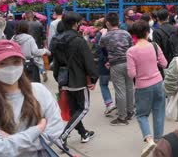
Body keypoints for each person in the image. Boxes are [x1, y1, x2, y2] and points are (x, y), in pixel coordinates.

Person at [0, 40, 65, 156]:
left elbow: (56, 129)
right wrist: (38, 129)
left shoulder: (39, 91)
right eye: (3, 63)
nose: (11, 68)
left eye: (16, 62)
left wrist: (13, 143)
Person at [52, 12, 98, 150]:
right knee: (83, 108)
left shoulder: (56, 39)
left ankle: (83, 133)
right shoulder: (78, 41)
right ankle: (63, 136)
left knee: (74, 111)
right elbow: (88, 61)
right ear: (75, 24)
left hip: (63, 79)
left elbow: (55, 62)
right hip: (78, 80)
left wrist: (58, 80)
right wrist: (93, 78)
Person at [127, 20, 168, 156]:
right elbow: (165, 64)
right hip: (158, 83)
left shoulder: (131, 51)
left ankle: (149, 139)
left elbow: (131, 74)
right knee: (159, 112)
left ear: (134, 34)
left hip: (142, 87)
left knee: (142, 114)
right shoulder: (154, 46)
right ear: (147, 32)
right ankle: (158, 141)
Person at [100, 12, 134, 126]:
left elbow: (100, 46)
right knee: (129, 87)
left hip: (115, 64)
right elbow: (131, 47)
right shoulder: (126, 33)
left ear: (107, 23)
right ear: (118, 22)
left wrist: (103, 34)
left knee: (120, 90)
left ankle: (122, 117)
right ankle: (130, 112)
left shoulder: (106, 36)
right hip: (128, 63)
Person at [94, 19, 116, 116]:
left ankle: (109, 103)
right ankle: (120, 105)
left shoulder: (99, 35)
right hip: (116, 62)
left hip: (103, 64)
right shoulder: (116, 34)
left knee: (103, 84)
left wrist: (106, 61)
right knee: (117, 85)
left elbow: (98, 50)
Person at [25, 11, 48, 82]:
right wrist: (45, 46)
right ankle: (43, 71)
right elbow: (43, 36)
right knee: (39, 60)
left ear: (26, 16)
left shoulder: (24, 25)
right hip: (37, 45)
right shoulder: (39, 24)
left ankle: (29, 75)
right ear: (33, 16)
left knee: (29, 60)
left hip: (27, 46)